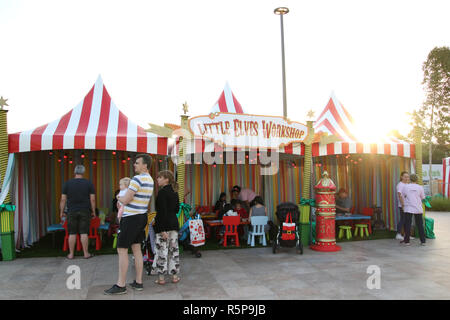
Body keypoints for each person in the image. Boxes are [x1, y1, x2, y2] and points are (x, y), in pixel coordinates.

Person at [104, 154, 154, 295]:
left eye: (137, 163)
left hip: (131, 218)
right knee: (137, 249)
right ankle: (138, 282)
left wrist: (118, 197)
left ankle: (121, 285)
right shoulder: (150, 180)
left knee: (122, 249)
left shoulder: (137, 179)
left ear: (145, 165)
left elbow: (125, 200)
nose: (134, 165)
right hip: (141, 216)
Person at [60, 165, 95, 260]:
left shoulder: (67, 183)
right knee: (84, 232)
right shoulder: (88, 183)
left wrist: (61, 212)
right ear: (83, 172)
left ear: (74, 172)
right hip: (85, 210)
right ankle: (86, 254)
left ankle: (71, 254)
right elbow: (92, 199)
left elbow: (63, 199)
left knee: (72, 233)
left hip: (71, 211)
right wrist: (93, 211)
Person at [153, 170, 181, 285]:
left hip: (163, 226)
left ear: (166, 179)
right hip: (173, 224)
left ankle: (161, 278)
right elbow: (177, 209)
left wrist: (162, 229)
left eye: (160, 177)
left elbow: (161, 213)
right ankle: (174, 276)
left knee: (162, 252)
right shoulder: (175, 192)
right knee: (174, 251)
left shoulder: (162, 193)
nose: (157, 179)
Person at [400, 174, 426, 246]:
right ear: (417, 179)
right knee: (420, 224)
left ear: (410, 179)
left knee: (408, 224)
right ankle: (423, 241)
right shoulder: (420, 187)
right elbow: (423, 198)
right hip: (418, 208)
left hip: (408, 208)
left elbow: (402, 196)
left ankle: (407, 241)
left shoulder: (405, 187)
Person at [395, 172, 410, 240]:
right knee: (403, 219)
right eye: (405, 177)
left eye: (407, 177)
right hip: (403, 205)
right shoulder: (400, 185)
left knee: (406, 220)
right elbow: (400, 195)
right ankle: (398, 234)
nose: (407, 178)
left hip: (408, 205)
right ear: (401, 177)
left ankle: (406, 235)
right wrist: (403, 205)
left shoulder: (407, 184)